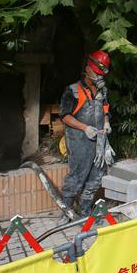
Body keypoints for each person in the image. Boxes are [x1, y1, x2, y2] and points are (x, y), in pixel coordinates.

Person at [59, 50, 115, 216]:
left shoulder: (102, 92)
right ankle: (66, 213)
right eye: (96, 73)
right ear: (88, 69)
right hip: (79, 142)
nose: (99, 77)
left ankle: (85, 212)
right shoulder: (73, 91)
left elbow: (105, 109)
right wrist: (85, 128)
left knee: (95, 179)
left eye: (101, 74)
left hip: (98, 142)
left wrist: (106, 122)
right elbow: (64, 116)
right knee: (77, 177)